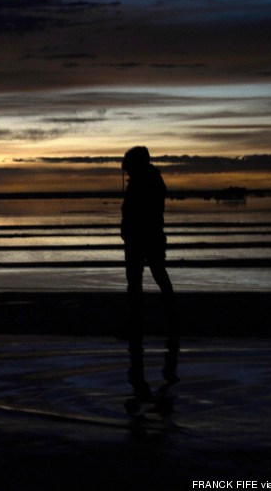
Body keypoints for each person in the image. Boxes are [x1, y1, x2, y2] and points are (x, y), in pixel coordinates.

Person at [121, 146, 179, 398]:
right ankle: (145, 320)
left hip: (146, 237)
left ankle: (162, 318)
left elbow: (144, 211)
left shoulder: (148, 182)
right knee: (142, 279)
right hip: (143, 237)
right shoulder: (149, 181)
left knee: (151, 277)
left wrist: (130, 227)